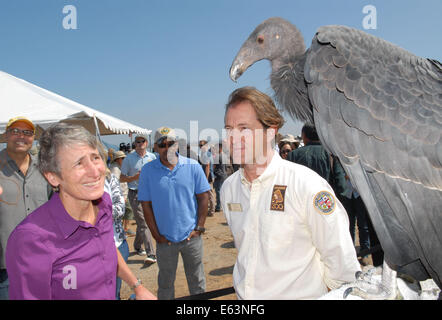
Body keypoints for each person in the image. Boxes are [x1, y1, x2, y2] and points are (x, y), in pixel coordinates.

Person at [220, 87, 360, 300]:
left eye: (244, 128)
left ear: (270, 132)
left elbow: (342, 268)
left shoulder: (307, 185)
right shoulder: (229, 189)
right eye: (229, 129)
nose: (233, 138)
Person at [5, 123, 156, 300]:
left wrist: (137, 286)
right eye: (78, 163)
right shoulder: (30, 240)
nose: (95, 171)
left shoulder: (104, 205)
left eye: (95, 158)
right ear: (52, 176)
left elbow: (107, 248)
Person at [138, 126, 211, 300]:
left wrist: (199, 227)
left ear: (177, 145)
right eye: (162, 145)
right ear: (155, 147)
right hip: (165, 240)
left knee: (197, 281)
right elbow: (146, 206)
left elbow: (203, 198)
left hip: (191, 238)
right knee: (165, 283)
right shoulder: (148, 171)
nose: (167, 148)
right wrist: (156, 235)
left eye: (171, 143)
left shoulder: (192, 166)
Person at [0, 117, 52, 300]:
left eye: (27, 132)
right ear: (5, 135)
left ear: (33, 138)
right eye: (15, 131)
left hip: (42, 261)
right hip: (5, 267)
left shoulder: (45, 168)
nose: (21, 136)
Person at [120, 134, 157, 264]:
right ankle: (151, 253)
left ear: (146, 143)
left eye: (142, 141)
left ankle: (137, 245)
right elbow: (121, 178)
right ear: (135, 144)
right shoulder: (128, 159)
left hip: (151, 193)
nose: (140, 143)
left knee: (144, 222)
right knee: (144, 222)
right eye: (137, 141)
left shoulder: (152, 157)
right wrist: (133, 178)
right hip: (135, 193)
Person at [288, 123, 347, 197]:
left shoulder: (293, 155)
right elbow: (341, 185)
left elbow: (287, 183)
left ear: (303, 135)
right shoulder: (331, 154)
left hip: (300, 201)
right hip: (326, 203)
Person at [104, 168, 129, 300]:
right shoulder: (74, 181)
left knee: (114, 291)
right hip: (89, 249)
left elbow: (120, 207)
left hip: (117, 244)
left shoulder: (109, 178)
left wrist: (96, 213)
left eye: (96, 157)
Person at [110, 151, 134, 236]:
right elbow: (116, 183)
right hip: (121, 195)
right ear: (118, 159)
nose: (124, 159)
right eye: (123, 158)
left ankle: (124, 228)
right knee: (128, 211)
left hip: (123, 193)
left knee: (125, 211)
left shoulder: (119, 167)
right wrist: (121, 196)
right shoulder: (115, 169)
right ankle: (125, 229)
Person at [199, 140, 216, 216]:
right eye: (199, 146)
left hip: (208, 177)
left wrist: (205, 178)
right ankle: (212, 210)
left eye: (201, 145)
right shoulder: (208, 154)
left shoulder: (206, 154)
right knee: (210, 194)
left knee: (210, 194)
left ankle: (212, 211)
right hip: (210, 176)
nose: (200, 147)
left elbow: (207, 166)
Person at [213, 143, 228, 212]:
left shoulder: (217, 156)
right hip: (224, 175)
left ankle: (219, 206)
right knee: (223, 192)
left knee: (218, 191)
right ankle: (222, 206)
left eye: (216, 148)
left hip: (219, 176)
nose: (215, 149)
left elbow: (214, 167)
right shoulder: (225, 156)